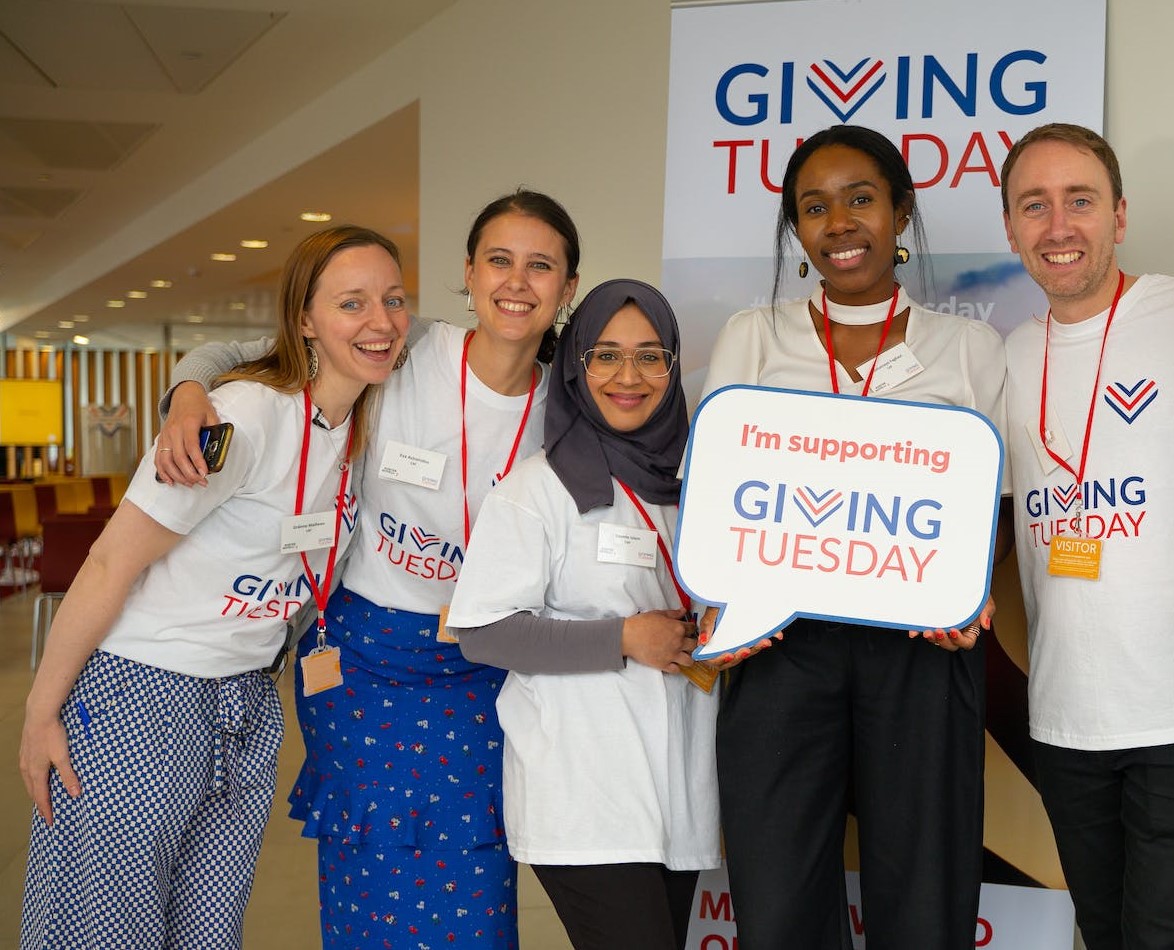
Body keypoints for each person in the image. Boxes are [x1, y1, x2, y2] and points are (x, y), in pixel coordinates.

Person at [155, 190, 582, 948]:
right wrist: (190, 392)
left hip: (479, 673)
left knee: (473, 886)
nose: (518, 282)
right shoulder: (408, 345)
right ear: (470, 273)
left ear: (567, 288)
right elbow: (249, 351)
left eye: (540, 265)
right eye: (500, 261)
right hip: (362, 664)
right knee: (368, 880)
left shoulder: (571, 407)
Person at [18, 226, 409, 948]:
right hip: (145, 692)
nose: (380, 321)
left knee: (207, 933)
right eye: (351, 303)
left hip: (247, 702)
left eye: (393, 300)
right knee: (103, 932)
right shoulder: (244, 416)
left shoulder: (360, 420)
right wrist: (41, 713)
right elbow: (109, 562)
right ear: (305, 321)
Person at [698, 124, 1007, 950]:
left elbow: (996, 507)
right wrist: (718, 606)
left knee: (926, 890)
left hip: (923, 649)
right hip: (779, 647)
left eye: (860, 199)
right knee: (779, 891)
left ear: (900, 212)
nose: (839, 222)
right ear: (797, 231)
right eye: (814, 207)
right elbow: (718, 495)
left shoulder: (971, 349)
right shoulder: (753, 338)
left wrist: (968, 595)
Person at [997, 122, 1174, 950]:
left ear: (1119, 214)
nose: (1059, 226)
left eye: (1079, 201)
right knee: (1106, 935)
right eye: (1034, 206)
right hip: (1066, 722)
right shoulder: (1005, 356)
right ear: (1010, 226)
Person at [446, 278, 715, 950]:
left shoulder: (696, 484)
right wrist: (623, 637)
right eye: (606, 355)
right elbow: (481, 630)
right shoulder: (538, 488)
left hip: (676, 783)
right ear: (575, 366)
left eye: (651, 356)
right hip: (585, 789)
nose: (630, 376)